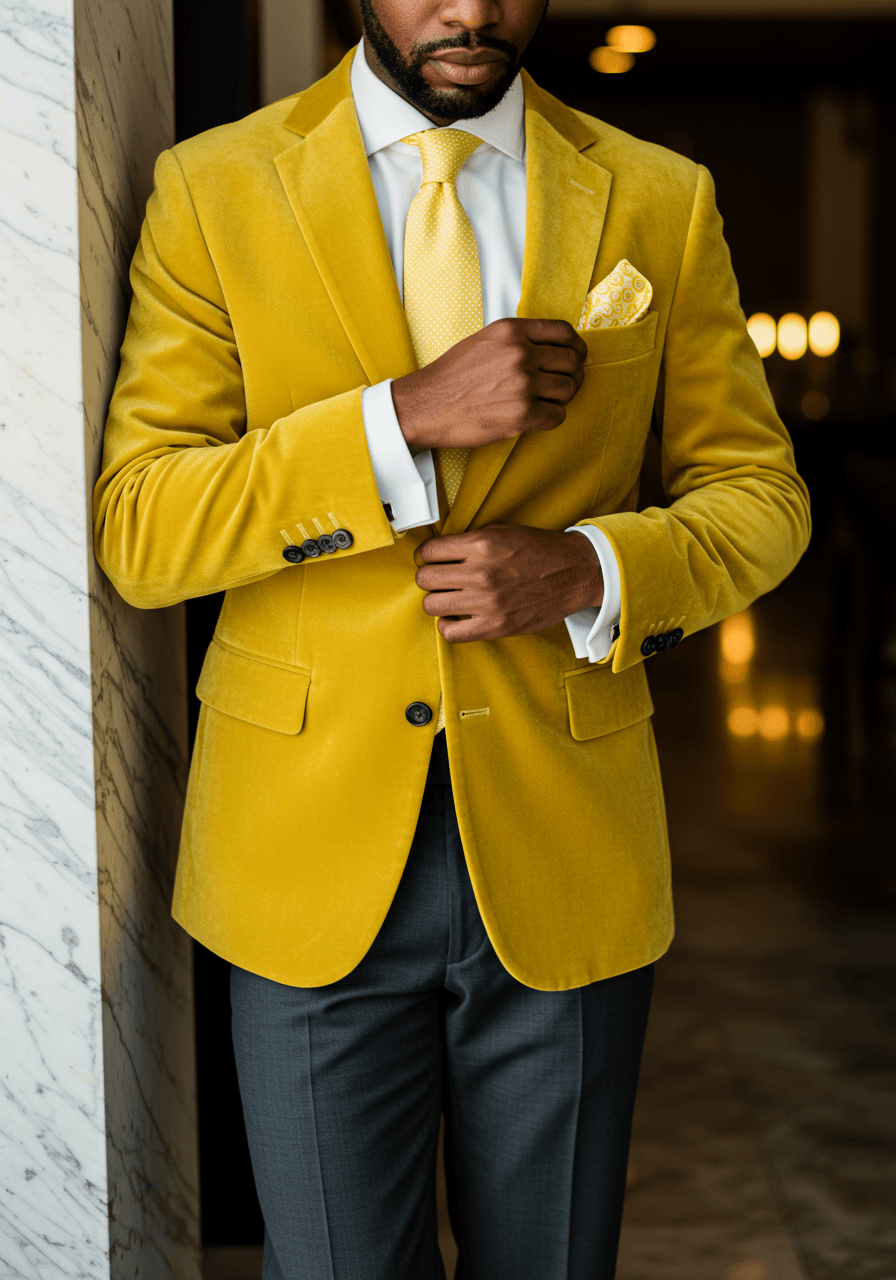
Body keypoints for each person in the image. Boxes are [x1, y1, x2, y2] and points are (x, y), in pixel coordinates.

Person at [93, 1, 811, 1276]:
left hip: (564, 840)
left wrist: (588, 565)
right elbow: (146, 527)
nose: (470, 10)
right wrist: (400, 423)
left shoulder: (657, 195)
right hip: (299, 855)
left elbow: (759, 498)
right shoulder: (214, 187)